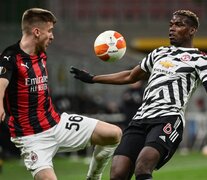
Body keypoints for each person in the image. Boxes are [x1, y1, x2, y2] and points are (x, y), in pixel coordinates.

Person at [70, 10, 207, 179]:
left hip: (168, 118)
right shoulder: (159, 53)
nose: (172, 28)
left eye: (178, 25)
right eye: (171, 24)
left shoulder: (200, 59)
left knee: (143, 166)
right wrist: (93, 78)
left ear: (192, 30)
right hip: (140, 119)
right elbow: (130, 76)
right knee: (117, 173)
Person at [0, 8, 122, 180]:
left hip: (57, 124)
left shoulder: (41, 53)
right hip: (32, 138)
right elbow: (1, 83)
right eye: (49, 31)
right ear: (36, 32)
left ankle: (93, 178)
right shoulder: (9, 57)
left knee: (113, 134)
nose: (52, 36)